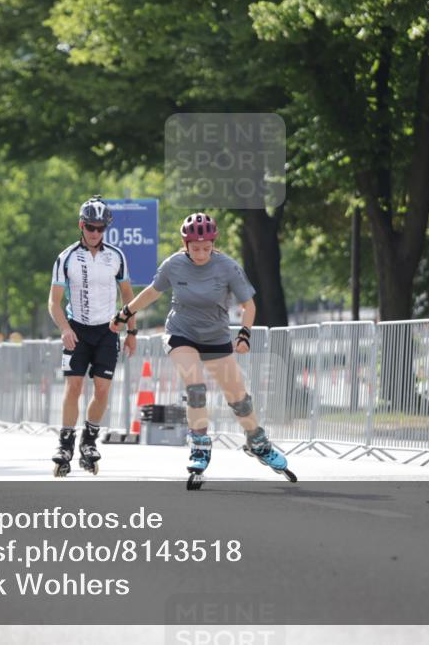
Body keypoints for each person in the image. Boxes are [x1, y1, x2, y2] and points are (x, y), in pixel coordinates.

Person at [110, 213, 295, 489]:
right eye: (194, 248)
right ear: (185, 244)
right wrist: (125, 313)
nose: (200, 253)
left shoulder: (227, 267)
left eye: (206, 247)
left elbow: (249, 306)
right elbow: (151, 292)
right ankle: (199, 445)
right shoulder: (174, 265)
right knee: (196, 388)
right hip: (181, 333)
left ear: (213, 243)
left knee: (239, 399)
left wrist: (244, 335)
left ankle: (258, 442)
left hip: (216, 337)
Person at [48, 195, 137, 476]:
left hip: (108, 330)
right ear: (81, 225)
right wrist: (65, 329)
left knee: (102, 389)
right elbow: (54, 301)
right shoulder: (66, 257)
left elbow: (128, 297)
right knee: (73, 387)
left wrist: (132, 332)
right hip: (77, 329)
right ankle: (65, 443)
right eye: (90, 227)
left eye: (100, 228)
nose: (95, 233)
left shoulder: (117, 256)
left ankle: (89, 440)